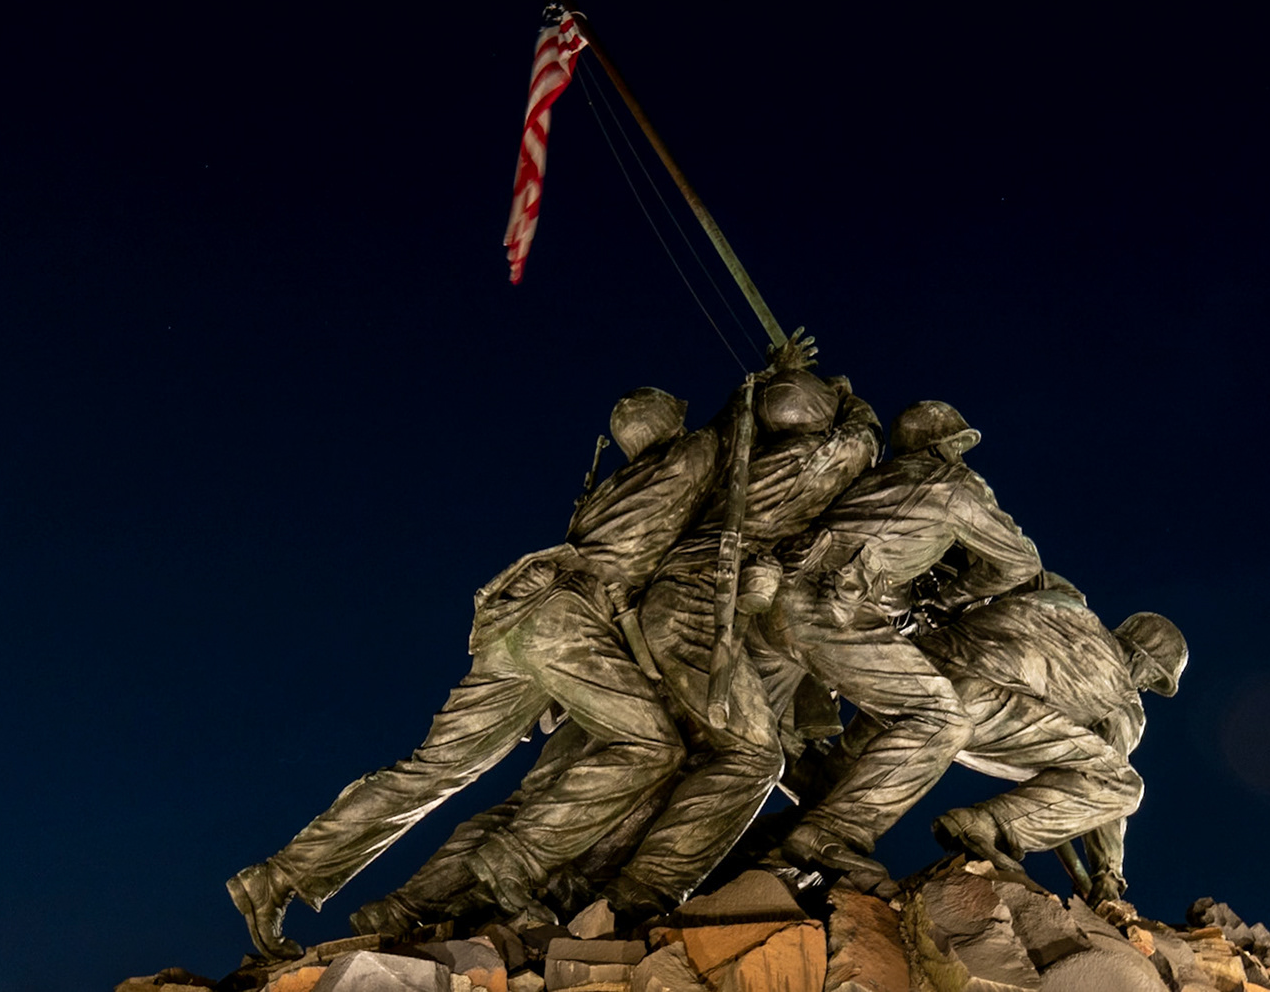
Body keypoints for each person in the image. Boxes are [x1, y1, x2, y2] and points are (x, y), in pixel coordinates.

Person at [226, 388, 715, 959]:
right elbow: (743, 424)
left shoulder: (611, 489)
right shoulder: (689, 456)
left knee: (428, 772)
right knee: (653, 747)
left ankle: (279, 875)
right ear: (670, 421)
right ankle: (516, 858)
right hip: (566, 621)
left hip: (516, 618)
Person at [600, 365, 881, 917]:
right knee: (753, 757)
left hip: (689, 601)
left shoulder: (741, 461)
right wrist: (848, 396)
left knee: (715, 751)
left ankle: (626, 878)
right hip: (699, 604)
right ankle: (643, 890)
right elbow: (863, 441)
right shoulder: (808, 460)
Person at [762, 400, 1042, 876]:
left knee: (752, 752)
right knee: (941, 719)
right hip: (825, 609)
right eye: (957, 447)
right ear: (946, 447)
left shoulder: (875, 480)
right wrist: (949, 599)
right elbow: (1019, 563)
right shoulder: (954, 485)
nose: (960, 457)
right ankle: (828, 835)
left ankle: (760, 852)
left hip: (772, 599)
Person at [907, 572, 1187, 903]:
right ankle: (981, 824)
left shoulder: (1068, 604)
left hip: (916, 664)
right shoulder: (1121, 702)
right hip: (979, 710)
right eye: (1153, 678)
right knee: (1122, 786)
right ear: (1140, 657)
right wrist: (1108, 872)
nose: (1146, 687)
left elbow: (1020, 569)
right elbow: (1106, 776)